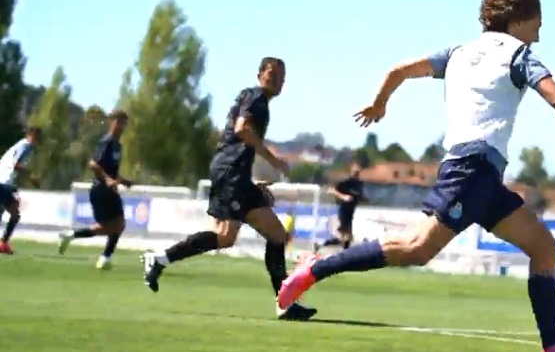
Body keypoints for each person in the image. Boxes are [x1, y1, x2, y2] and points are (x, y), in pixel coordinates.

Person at [278, 0, 555, 352]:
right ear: (520, 19)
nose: (540, 33)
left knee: (543, 248)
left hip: (482, 176)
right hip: (471, 171)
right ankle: (315, 268)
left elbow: (399, 70)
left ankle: (553, 346)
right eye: (538, 22)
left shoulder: (458, 53)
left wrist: (378, 103)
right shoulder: (519, 54)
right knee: (417, 248)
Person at [140, 57, 317, 322]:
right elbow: (242, 130)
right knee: (224, 236)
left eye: (282, 76)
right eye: (272, 74)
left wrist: (251, 181)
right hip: (230, 173)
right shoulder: (256, 98)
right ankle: (160, 259)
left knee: (277, 235)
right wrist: (274, 161)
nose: (277, 80)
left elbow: (239, 140)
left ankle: (285, 303)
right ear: (259, 75)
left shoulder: (253, 98)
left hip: (237, 175)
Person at [57, 111, 133, 268]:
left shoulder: (118, 145)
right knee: (111, 227)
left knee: (118, 224)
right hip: (100, 190)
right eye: (118, 121)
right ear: (111, 122)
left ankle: (104, 258)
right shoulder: (106, 141)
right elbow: (93, 163)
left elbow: (110, 169)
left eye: (124, 123)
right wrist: (107, 179)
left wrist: (122, 180)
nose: (121, 126)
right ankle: (77, 239)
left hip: (110, 190)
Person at [0, 127, 42, 255]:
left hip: (5, 182)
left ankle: (3, 243)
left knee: (14, 213)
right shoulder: (26, 146)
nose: (38, 141)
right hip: (4, 182)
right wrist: (31, 177)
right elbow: (15, 164)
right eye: (37, 137)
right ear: (31, 136)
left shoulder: (21, 145)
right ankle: (3, 243)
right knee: (13, 212)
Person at [314, 161, 366, 253]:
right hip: (344, 211)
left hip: (351, 212)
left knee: (346, 238)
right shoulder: (346, 182)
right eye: (355, 171)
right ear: (351, 171)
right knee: (347, 237)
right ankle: (345, 255)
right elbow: (331, 190)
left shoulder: (359, 183)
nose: (356, 173)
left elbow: (359, 195)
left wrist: (364, 199)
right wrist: (343, 197)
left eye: (358, 171)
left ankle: (320, 245)